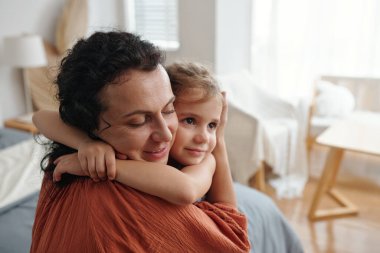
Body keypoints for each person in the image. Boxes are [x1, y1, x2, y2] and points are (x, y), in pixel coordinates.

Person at [32, 31, 304, 253]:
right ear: (86, 123)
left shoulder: (77, 162)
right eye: (138, 121)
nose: (166, 134)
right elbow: (233, 241)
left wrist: (89, 149)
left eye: (169, 109)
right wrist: (88, 147)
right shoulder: (113, 203)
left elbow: (185, 188)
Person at [34, 61, 237, 208]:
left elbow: (186, 190)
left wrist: (100, 167)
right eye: (190, 121)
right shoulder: (132, 141)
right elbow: (40, 118)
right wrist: (85, 143)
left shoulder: (204, 162)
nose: (204, 137)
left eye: (212, 125)